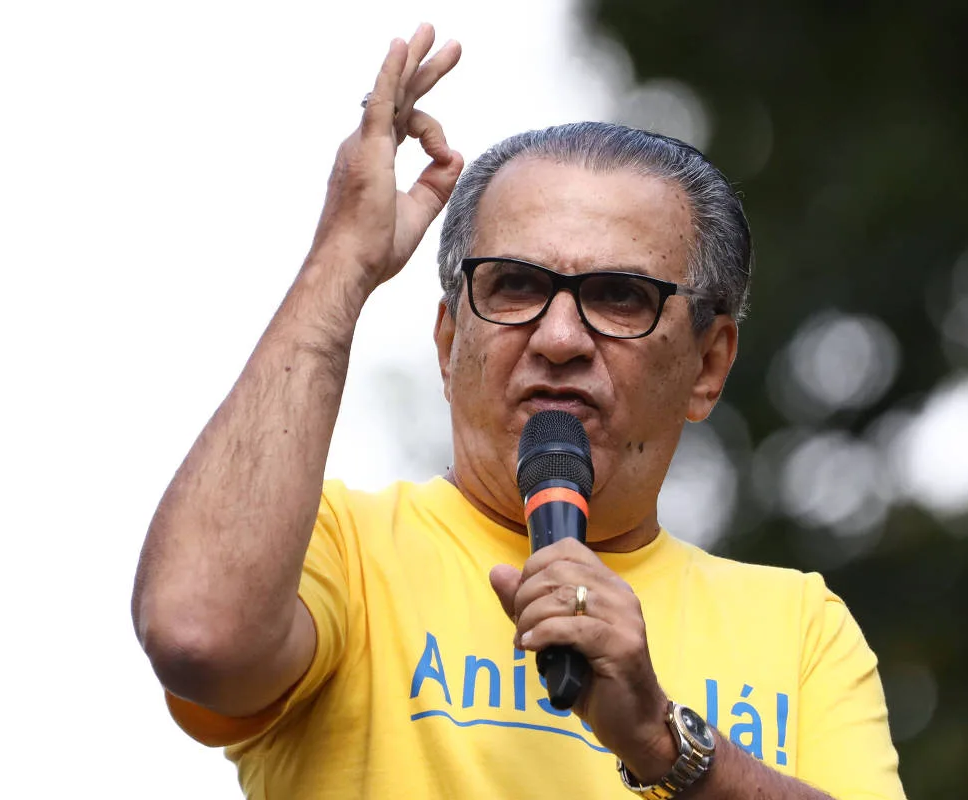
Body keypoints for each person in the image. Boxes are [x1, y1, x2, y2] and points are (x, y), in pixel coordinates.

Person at [132, 24, 906, 800]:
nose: (560, 337)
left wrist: (661, 743)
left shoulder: (800, 626)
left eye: (620, 296)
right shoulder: (338, 551)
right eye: (515, 286)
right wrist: (341, 262)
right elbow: (197, 634)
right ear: (448, 343)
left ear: (708, 366)